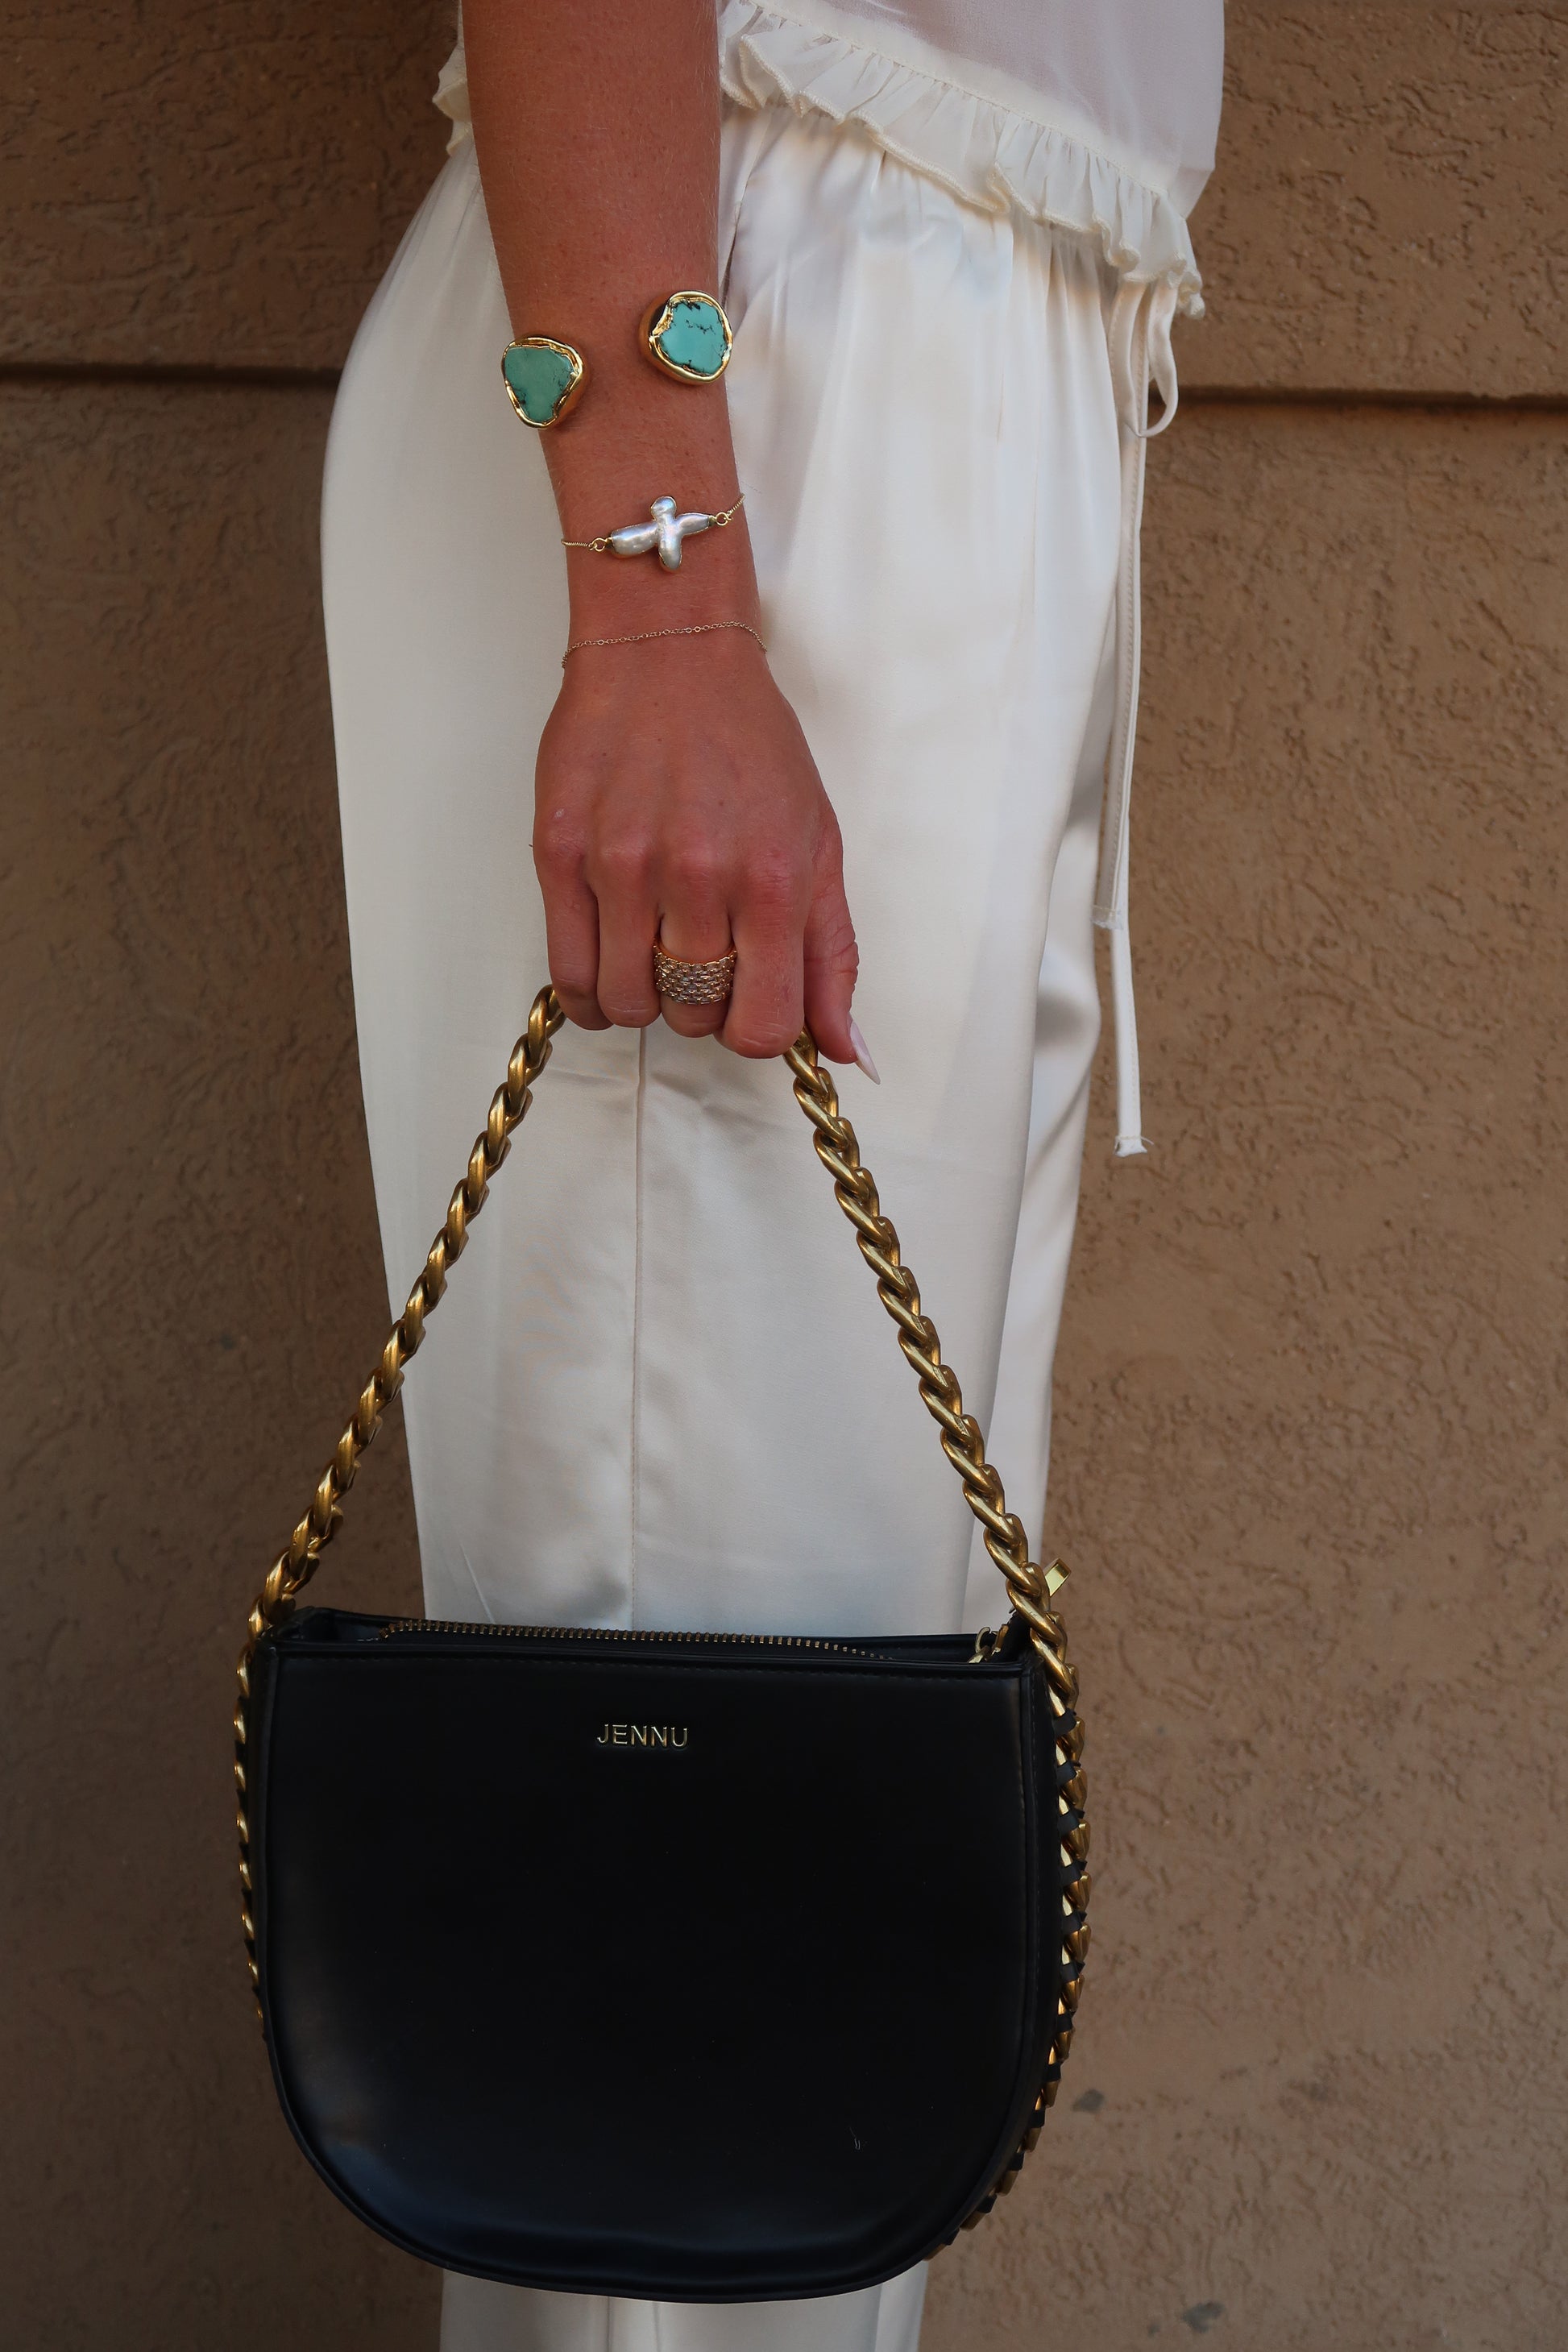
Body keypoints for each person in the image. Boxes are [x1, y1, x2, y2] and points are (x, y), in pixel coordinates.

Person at [321, 3, 1222, 2346]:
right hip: (746, 380)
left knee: (832, 1728)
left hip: (919, 366)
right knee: (709, 1749)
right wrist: (667, 605)